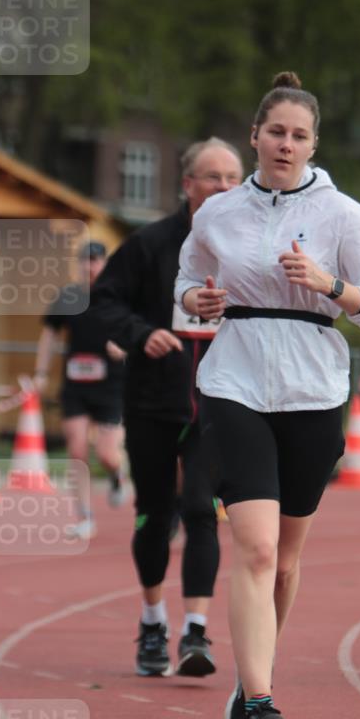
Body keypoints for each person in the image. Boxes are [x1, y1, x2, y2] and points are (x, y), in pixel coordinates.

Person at [176, 71, 360, 719]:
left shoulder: (346, 216)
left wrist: (331, 285)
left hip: (312, 390)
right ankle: (261, 701)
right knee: (257, 548)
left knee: (287, 560)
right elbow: (186, 283)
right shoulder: (218, 212)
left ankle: (248, 692)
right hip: (235, 381)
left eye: (298, 134)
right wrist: (198, 303)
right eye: (275, 131)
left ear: (313, 144)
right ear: (254, 136)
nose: (285, 143)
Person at [89, 137, 243, 679]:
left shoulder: (248, 245)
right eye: (211, 177)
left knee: (202, 509)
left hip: (219, 402)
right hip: (155, 400)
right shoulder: (150, 244)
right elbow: (104, 300)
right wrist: (142, 333)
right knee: (155, 516)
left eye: (232, 177)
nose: (224, 187)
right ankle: (153, 620)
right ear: (187, 184)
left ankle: (195, 633)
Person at [34, 240, 127, 540]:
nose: (89, 267)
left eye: (95, 261)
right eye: (84, 262)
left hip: (112, 386)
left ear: (104, 264)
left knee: (107, 454)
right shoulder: (67, 297)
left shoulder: (119, 295)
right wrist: (40, 373)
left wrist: (124, 346)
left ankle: (117, 476)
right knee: (76, 451)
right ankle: (84, 517)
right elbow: (49, 336)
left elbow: (138, 329)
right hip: (75, 385)